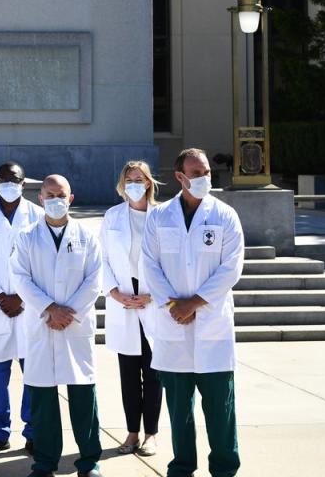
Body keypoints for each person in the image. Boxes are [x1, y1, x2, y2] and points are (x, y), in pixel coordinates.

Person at [141, 148, 244, 477]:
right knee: (179, 409)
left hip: (211, 326)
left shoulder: (225, 215)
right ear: (180, 177)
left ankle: (225, 469)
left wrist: (194, 303)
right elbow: (150, 265)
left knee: (220, 408)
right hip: (173, 325)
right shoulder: (159, 217)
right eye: (196, 174)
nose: (204, 179)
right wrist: (175, 305)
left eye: (207, 173)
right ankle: (182, 467)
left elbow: (231, 269)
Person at [11, 175, 104, 477]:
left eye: (60, 194)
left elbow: (95, 279)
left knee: (83, 399)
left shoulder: (87, 236)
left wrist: (68, 313)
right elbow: (20, 278)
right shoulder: (26, 236)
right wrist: (50, 309)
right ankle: (45, 463)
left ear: (70, 198)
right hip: (42, 325)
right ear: (39, 198)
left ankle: (89, 462)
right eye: (49, 194)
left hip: (74, 327)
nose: (55, 199)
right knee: (43, 400)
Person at [0, 161, 43, 456]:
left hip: (30, 306)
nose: (8, 183)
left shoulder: (39, 216)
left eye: (14, 179)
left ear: (24, 183)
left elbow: (43, 264)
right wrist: (1, 296)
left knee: (33, 371)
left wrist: (23, 297)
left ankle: (33, 431)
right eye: (3, 179)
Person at [99, 160, 162, 458]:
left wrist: (152, 295)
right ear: (123, 184)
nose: (135, 183)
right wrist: (114, 292)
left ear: (149, 182)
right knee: (128, 374)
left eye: (140, 178)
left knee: (153, 373)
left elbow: (169, 261)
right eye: (129, 178)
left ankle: (151, 434)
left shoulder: (162, 216)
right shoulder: (112, 216)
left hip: (152, 301)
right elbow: (103, 260)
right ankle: (131, 433)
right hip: (123, 301)